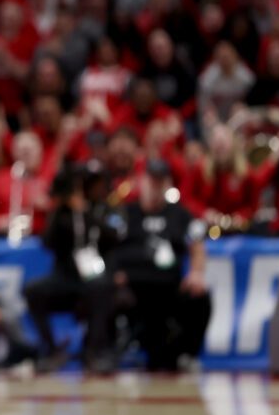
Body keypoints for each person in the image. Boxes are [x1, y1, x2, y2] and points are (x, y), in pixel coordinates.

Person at [110, 160, 210, 371]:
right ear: (141, 181)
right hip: (134, 289)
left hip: (168, 289)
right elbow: (107, 245)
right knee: (104, 293)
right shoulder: (125, 213)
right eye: (151, 180)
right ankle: (106, 352)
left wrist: (196, 272)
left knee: (200, 297)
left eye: (160, 181)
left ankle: (187, 353)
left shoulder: (180, 214)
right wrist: (114, 273)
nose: (155, 186)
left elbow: (197, 244)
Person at [23, 168, 118, 373]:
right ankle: (52, 349)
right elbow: (47, 242)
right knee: (33, 291)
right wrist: (59, 209)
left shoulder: (99, 210)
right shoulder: (61, 215)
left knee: (103, 289)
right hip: (64, 278)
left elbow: (113, 238)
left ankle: (92, 352)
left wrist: (85, 213)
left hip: (91, 278)